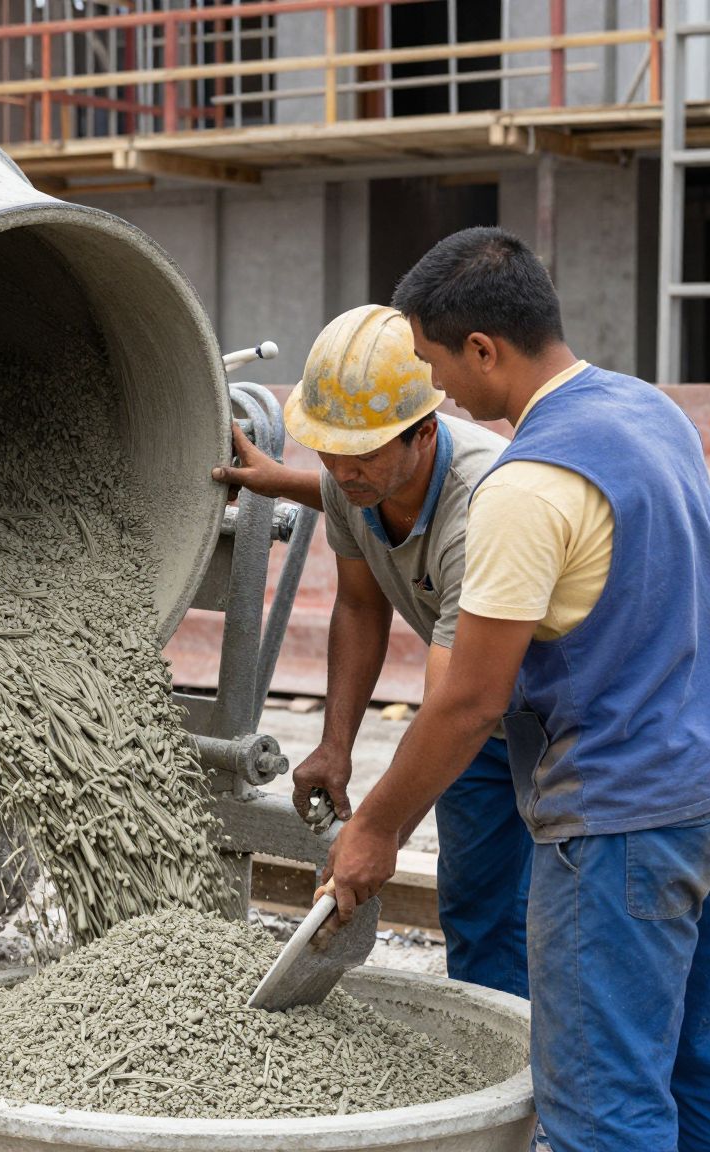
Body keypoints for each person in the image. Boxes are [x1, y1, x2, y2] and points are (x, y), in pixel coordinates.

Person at [317, 227, 710, 1152]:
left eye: (439, 366)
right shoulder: (650, 412)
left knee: (605, 1109)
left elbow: (471, 701)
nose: (441, 390)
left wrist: (376, 829)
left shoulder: (523, 486)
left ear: (484, 349)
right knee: (699, 1073)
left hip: (620, 823)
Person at [212, 303, 531, 999]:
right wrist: (335, 745)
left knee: (558, 918)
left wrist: (379, 830)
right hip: (479, 722)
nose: (340, 472)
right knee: (477, 910)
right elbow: (361, 605)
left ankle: (550, 1076)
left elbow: (461, 703)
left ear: (423, 433)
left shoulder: (484, 506)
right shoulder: (360, 477)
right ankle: (500, 1074)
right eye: (327, 451)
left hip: (557, 719)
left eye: (360, 455)